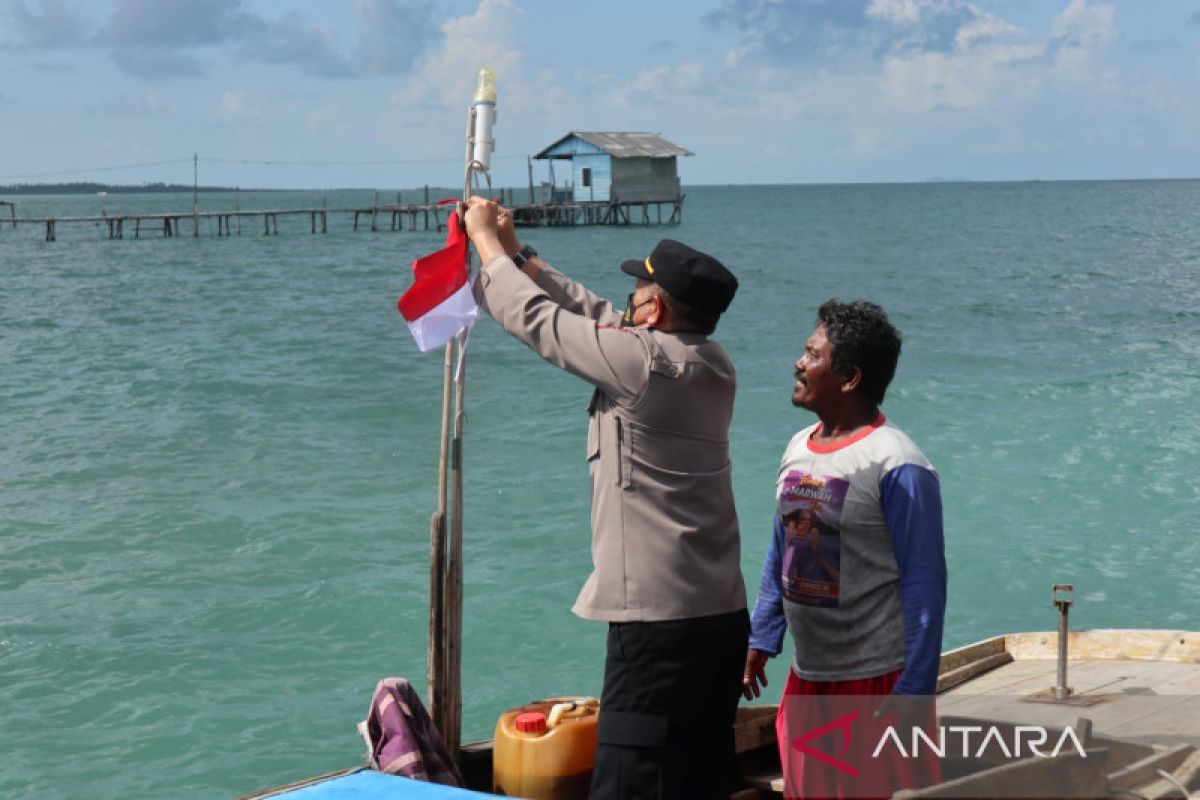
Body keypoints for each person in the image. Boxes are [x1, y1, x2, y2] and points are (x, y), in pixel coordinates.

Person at [461, 197, 750, 800]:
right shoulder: (710, 362)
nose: (628, 303)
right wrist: (519, 253)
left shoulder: (641, 366)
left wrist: (484, 241)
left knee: (629, 784)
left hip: (657, 627)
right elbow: (599, 317)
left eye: (638, 293)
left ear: (658, 307)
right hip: (720, 618)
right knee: (697, 779)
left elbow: (542, 322)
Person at [742, 299, 946, 798]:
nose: (798, 362)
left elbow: (925, 584)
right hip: (809, 678)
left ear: (850, 378)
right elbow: (783, 545)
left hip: (875, 684)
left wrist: (915, 691)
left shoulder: (897, 462)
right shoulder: (797, 447)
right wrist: (762, 636)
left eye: (812, 355)